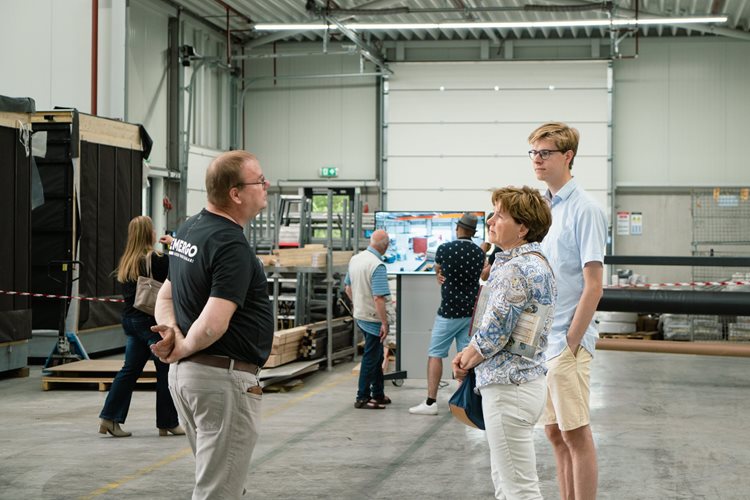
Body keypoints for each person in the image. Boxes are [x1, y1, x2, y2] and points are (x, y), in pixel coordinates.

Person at [149, 150, 274, 499]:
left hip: (193, 379)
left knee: (221, 481)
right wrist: (182, 346)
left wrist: (172, 336)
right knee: (218, 491)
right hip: (221, 380)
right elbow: (213, 324)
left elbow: (164, 298)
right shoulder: (230, 244)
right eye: (259, 180)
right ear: (235, 193)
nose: (266, 185)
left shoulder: (190, 229)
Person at [453, 186, 556, 500]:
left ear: (522, 227)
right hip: (524, 383)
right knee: (508, 483)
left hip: (508, 388)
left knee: (519, 489)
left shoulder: (516, 270)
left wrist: (465, 358)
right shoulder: (536, 263)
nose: (491, 220)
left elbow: (495, 331)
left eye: (500, 215)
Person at [529, 122, 607, 500]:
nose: (537, 160)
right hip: (545, 340)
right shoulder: (544, 209)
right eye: (533, 153)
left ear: (568, 157)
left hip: (565, 342)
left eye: (545, 153)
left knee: (576, 433)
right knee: (554, 433)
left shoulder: (585, 209)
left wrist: (570, 344)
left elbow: (594, 284)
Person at [98, 216, 183, 438]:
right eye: (153, 229)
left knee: (130, 370)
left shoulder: (127, 261)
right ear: (149, 234)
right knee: (166, 368)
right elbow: (179, 274)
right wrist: (174, 245)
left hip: (130, 322)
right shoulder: (156, 259)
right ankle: (168, 422)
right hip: (149, 322)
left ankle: (109, 417)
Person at [409, 213, 485, 416]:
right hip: (470, 312)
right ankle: (462, 404)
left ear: (458, 229)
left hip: (448, 312)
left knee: (435, 354)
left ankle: (431, 402)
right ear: (472, 232)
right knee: (464, 358)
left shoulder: (445, 249)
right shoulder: (479, 253)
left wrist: (438, 275)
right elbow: (480, 276)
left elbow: (438, 269)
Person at [345, 229, 391, 410]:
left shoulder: (356, 259)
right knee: (371, 358)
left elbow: (348, 288)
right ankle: (362, 397)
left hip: (360, 315)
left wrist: (357, 304)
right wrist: (384, 322)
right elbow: (378, 298)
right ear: (385, 246)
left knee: (377, 354)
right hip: (373, 319)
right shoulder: (377, 265)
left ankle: (378, 393)